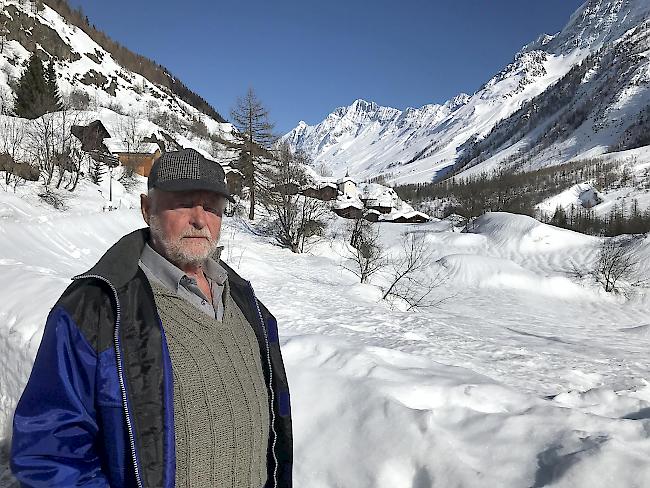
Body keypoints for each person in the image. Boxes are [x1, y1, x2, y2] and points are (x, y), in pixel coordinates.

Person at [11, 148, 293, 488]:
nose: (200, 219)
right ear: (147, 209)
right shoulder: (96, 309)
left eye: (212, 207)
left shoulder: (248, 305)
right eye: (184, 203)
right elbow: (50, 454)